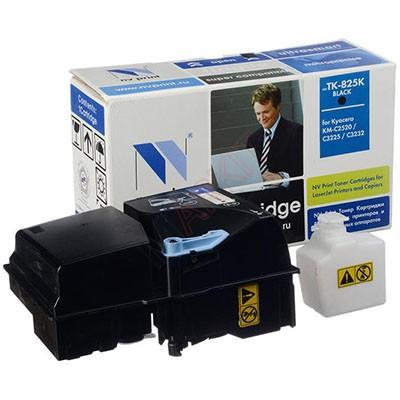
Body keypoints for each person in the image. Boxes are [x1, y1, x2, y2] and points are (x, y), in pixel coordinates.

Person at [247, 84, 303, 182]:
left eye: (266, 112)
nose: (262, 118)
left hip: (284, 190)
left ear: (277, 107)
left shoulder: (296, 132)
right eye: (258, 113)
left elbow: (302, 171)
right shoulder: (253, 139)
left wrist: (282, 178)